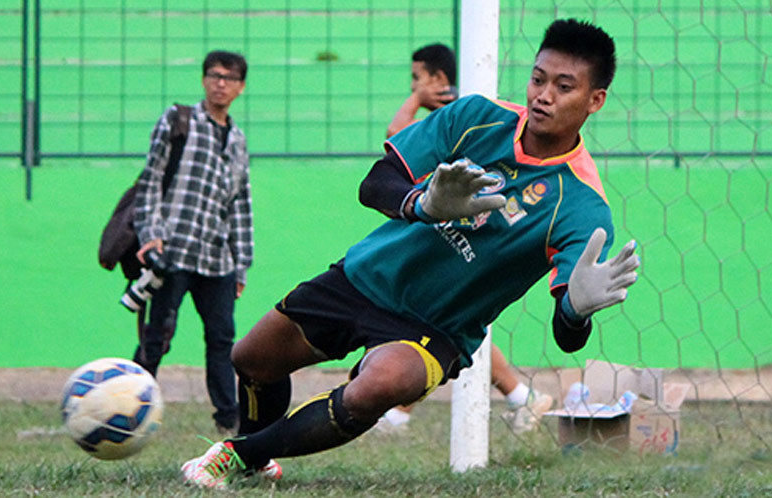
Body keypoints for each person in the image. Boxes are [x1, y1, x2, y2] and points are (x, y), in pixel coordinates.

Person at [181, 18, 638, 487]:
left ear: (594, 100)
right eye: (538, 79)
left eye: (564, 87)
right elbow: (376, 181)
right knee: (251, 358)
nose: (543, 95)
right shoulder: (477, 117)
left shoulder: (583, 206)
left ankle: (236, 454)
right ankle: (256, 463)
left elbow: (568, 336)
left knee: (377, 387)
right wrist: (422, 203)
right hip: (368, 276)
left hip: (436, 326)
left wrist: (577, 311)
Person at [379, 42, 553, 434]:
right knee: (442, 324)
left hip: (458, 237)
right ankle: (520, 397)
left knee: (435, 325)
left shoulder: (456, 114)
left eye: (416, 78)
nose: (413, 85)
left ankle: (399, 412)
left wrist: (414, 99)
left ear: (438, 79)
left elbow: (395, 134)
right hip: (451, 232)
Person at [132, 50, 253, 435]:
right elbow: (150, 180)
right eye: (215, 75)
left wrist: (241, 263)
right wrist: (151, 235)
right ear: (203, 79)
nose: (221, 83)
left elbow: (240, 203)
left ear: (241, 88)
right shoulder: (178, 120)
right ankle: (129, 404)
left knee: (222, 340)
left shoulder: (237, 139)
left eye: (230, 78)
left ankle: (228, 419)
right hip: (174, 250)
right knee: (157, 336)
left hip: (217, 259)